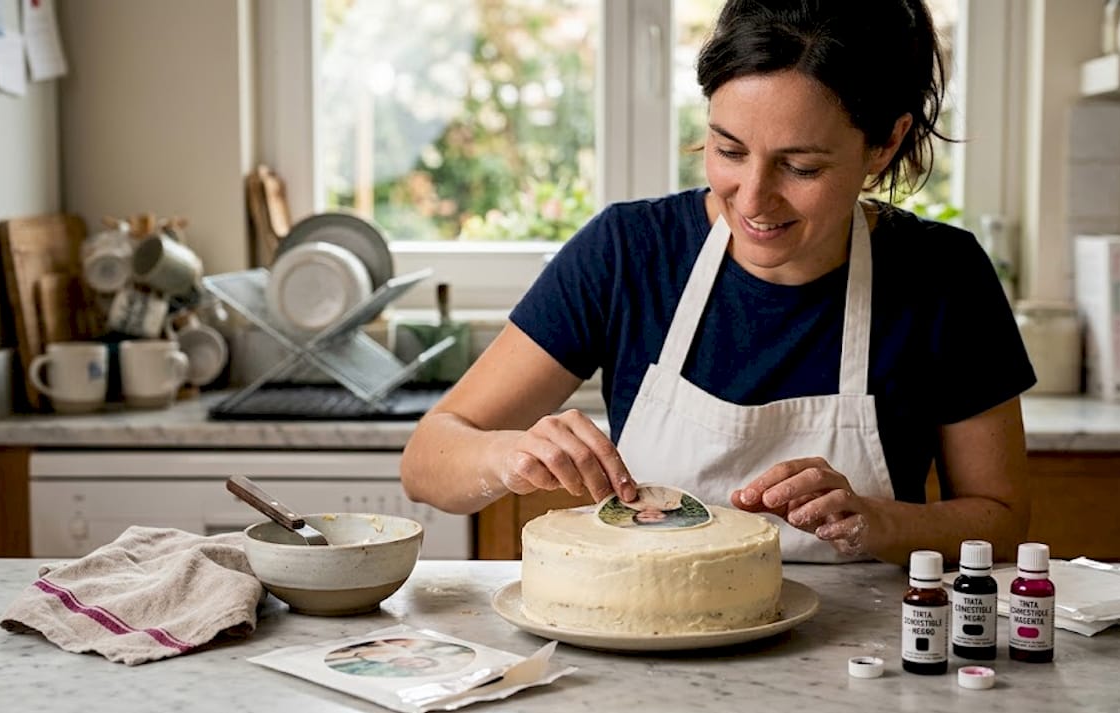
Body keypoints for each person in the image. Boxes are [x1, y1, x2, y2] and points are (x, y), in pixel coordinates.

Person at [401, 0, 1034, 566]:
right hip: (650, 653)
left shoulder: (943, 276)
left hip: (861, 660)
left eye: (801, 165)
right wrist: (508, 457)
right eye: (729, 151)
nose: (753, 199)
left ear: (884, 144)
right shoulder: (628, 253)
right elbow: (428, 463)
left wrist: (879, 520)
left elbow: (1000, 525)